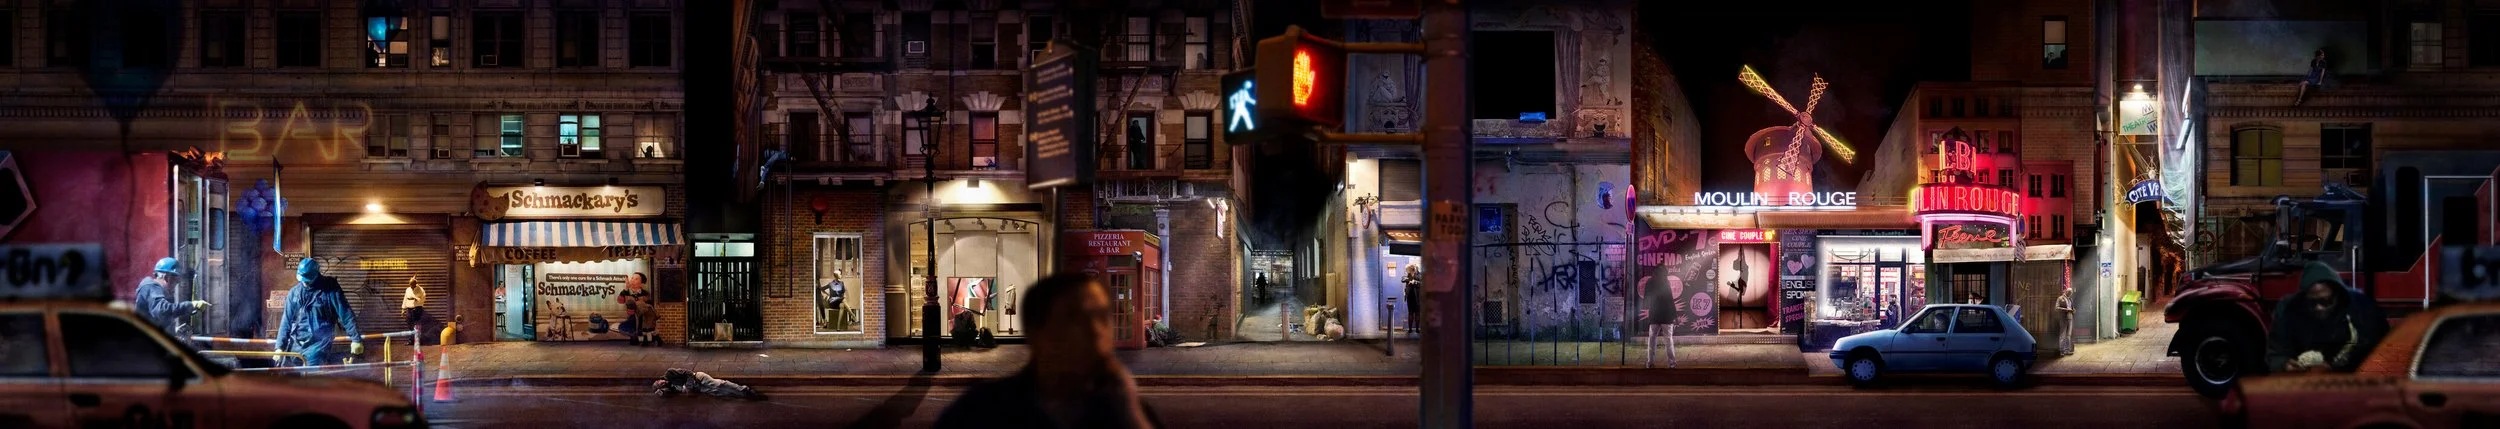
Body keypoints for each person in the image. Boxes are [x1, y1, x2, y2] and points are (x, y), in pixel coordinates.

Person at [934, 273, 1159, 429]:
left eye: (1102, 316)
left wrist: (1129, 412)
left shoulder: (1127, 408)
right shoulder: (980, 412)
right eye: (1074, 318)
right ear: (1036, 330)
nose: (1094, 330)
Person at [2266, 261, 2390, 373]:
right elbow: (2275, 353)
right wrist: (2284, 364)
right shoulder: (2288, 309)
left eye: (2326, 301)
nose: (2319, 308)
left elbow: (2382, 356)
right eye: (2312, 303)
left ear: (2338, 296)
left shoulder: (2363, 309)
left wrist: (2335, 369)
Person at [275, 259, 363, 366]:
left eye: (308, 280)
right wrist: (279, 347)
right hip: (297, 342)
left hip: (319, 342)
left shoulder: (330, 288)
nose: (305, 282)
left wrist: (356, 339)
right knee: (287, 373)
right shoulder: (294, 293)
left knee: (311, 375)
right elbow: (286, 321)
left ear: (317, 274)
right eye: (303, 279)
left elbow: (345, 313)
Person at [135, 257, 210, 335]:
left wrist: (172, 330)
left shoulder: (155, 290)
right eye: (176, 281)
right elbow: (162, 311)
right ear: (167, 278)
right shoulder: (151, 287)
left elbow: (158, 319)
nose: (175, 285)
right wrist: (191, 305)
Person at [619, 272, 657, 346]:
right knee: (633, 329)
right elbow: (620, 300)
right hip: (632, 315)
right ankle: (635, 339)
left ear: (642, 283)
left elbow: (648, 302)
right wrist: (626, 288)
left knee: (643, 329)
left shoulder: (645, 293)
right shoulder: (627, 292)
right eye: (632, 278)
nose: (633, 280)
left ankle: (645, 341)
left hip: (643, 315)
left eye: (636, 279)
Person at [401, 276, 427, 344]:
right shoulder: (408, 289)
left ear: (415, 283)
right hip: (409, 309)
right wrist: (403, 309)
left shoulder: (420, 289)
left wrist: (418, 300)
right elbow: (405, 299)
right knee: (410, 325)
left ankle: (417, 340)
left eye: (412, 285)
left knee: (417, 325)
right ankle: (411, 340)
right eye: (410, 285)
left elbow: (423, 298)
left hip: (417, 309)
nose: (411, 286)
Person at [2055, 286, 2076, 356]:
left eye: (2071, 293)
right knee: (2062, 335)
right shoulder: (2060, 298)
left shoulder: (2070, 299)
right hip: (2063, 318)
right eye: (2069, 292)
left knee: (2068, 335)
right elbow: (2056, 308)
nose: (2070, 294)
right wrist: (2066, 310)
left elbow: (2072, 307)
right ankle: (2061, 351)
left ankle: (2067, 350)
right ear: (2066, 291)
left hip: (2070, 318)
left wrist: (2073, 310)